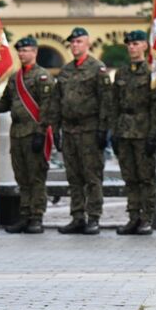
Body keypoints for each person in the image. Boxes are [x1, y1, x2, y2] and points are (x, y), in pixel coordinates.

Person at [0, 36, 56, 234]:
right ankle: (25, 215)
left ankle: (36, 217)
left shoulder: (43, 76)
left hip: (34, 133)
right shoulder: (14, 78)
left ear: (35, 53)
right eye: (19, 51)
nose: (22, 54)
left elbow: (47, 107)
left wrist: (40, 132)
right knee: (22, 178)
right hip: (18, 134)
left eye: (26, 50)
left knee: (36, 178)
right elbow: (6, 103)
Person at [54, 27, 113, 235]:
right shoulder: (66, 70)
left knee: (92, 176)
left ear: (87, 44)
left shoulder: (98, 68)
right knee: (74, 176)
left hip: (90, 129)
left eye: (79, 42)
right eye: (72, 42)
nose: (74, 45)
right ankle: (77, 216)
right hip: (69, 129)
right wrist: (55, 129)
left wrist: (103, 130)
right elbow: (57, 101)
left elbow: (106, 101)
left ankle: (94, 217)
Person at [111, 30, 156, 235]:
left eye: (136, 43)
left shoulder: (152, 72)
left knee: (146, 178)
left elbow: (155, 108)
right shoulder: (121, 73)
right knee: (130, 178)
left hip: (143, 130)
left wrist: (152, 135)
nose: (132, 47)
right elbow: (114, 104)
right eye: (129, 44)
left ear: (145, 46)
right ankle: (133, 216)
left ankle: (147, 218)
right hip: (124, 130)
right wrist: (113, 132)